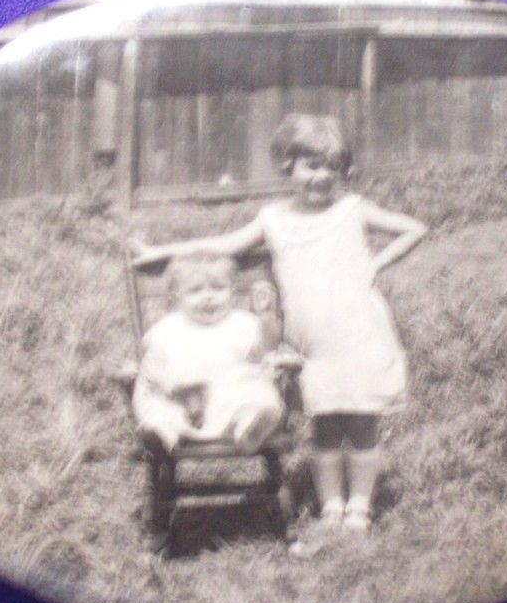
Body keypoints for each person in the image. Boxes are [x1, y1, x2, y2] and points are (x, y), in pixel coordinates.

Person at [133, 114, 427, 534]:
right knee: (325, 425)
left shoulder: (352, 210)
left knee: (362, 422)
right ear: (289, 167)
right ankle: (331, 509)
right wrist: (159, 252)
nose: (321, 177)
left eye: (332, 168)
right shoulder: (273, 219)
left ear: (343, 172)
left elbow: (415, 228)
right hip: (313, 345)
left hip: (360, 334)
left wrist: (376, 263)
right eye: (311, 166)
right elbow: (222, 244)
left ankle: (359, 508)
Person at [131, 252, 284, 455]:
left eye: (218, 288)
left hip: (232, 395)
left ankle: (249, 429)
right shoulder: (167, 328)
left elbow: (264, 348)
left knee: (258, 396)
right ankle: (163, 436)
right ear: (176, 297)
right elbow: (153, 366)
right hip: (184, 402)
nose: (208, 297)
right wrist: (160, 382)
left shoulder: (241, 322)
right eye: (195, 291)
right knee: (158, 408)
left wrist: (266, 318)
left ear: (233, 291)